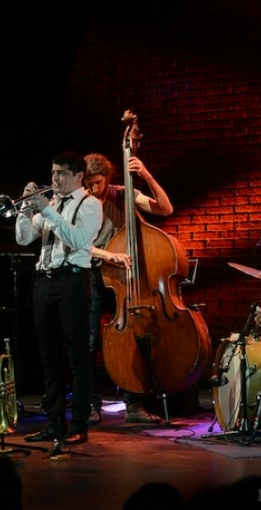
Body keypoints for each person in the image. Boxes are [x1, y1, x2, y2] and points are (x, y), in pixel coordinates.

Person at [15, 151, 102, 444]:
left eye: (62, 173)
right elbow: (24, 238)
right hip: (43, 282)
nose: (55, 179)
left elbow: (77, 239)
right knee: (49, 358)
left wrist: (47, 211)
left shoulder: (91, 205)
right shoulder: (51, 204)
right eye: (53, 173)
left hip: (73, 282)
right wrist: (25, 211)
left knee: (77, 357)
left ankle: (78, 424)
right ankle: (53, 421)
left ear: (78, 176)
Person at [83, 152, 174, 424]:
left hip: (125, 279)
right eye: (87, 183)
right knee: (88, 342)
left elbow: (165, 209)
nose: (92, 189)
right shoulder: (80, 201)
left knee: (135, 336)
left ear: (107, 180)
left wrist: (145, 174)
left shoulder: (124, 193)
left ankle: (134, 404)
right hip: (93, 275)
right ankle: (91, 404)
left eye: (97, 183)